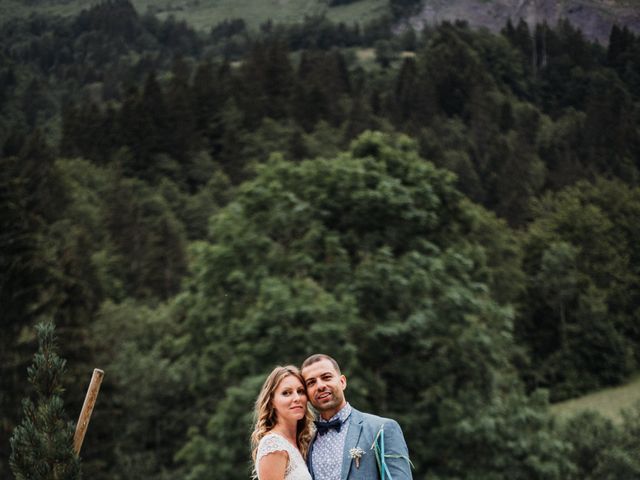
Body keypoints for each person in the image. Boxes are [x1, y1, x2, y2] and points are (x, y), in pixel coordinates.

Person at [301, 354, 412, 480]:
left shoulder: (381, 429)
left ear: (342, 382)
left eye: (326, 377)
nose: (320, 386)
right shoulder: (306, 442)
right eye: (311, 383)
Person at [251, 365, 315, 480]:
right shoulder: (274, 445)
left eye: (300, 391)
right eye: (286, 393)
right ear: (272, 402)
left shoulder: (304, 441)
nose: (297, 398)